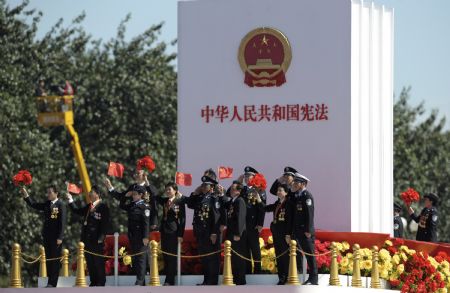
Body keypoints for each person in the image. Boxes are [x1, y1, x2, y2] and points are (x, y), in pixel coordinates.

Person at [21, 185, 67, 288]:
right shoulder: (47, 204)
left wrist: (60, 237)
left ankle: (53, 282)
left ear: (56, 193)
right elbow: (34, 205)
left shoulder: (61, 205)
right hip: (47, 236)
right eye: (48, 192)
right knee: (49, 259)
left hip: (56, 238)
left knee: (55, 260)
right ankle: (49, 282)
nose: (48, 194)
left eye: (50, 192)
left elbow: (62, 222)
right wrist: (26, 195)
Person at [66, 185, 110, 286]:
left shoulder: (103, 207)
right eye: (90, 192)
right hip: (87, 240)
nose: (90, 194)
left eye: (92, 192)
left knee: (98, 261)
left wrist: (101, 238)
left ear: (98, 194)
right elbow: (77, 211)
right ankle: (93, 281)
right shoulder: (89, 206)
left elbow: (105, 224)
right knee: (90, 262)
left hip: (97, 240)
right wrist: (70, 200)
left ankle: (101, 281)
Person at [186, 175, 221, 285]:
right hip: (200, 232)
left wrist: (214, 233)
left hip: (209, 232)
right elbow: (190, 204)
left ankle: (212, 280)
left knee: (211, 257)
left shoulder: (214, 198)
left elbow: (216, 217)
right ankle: (206, 280)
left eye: (206, 185)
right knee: (204, 257)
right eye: (203, 185)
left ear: (211, 187)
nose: (204, 187)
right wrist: (195, 193)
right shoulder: (200, 197)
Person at [288, 173, 318, 285]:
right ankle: (303, 276)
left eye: (297, 183)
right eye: (294, 182)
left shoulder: (307, 196)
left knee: (310, 255)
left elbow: (309, 214)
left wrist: (308, 230)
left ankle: (313, 279)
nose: (294, 184)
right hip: (297, 231)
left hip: (305, 232)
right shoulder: (298, 195)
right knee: (300, 254)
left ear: (303, 184)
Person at [155, 182, 187, 286]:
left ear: (175, 190)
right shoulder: (165, 201)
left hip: (174, 232)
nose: (167, 191)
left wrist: (180, 235)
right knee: (165, 254)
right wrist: (147, 183)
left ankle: (170, 280)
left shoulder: (180, 202)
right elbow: (155, 196)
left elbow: (182, 219)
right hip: (164, 231)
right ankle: (168, 276)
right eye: (166, 189)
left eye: (169, 189)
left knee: (172, 256)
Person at [119, 185, 151, 285]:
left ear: (141, 195)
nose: (133, 196)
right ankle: (141, 280)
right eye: (132, 194)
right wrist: (125, 196)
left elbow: (146, 223)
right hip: (133, 236)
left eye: (135, 194)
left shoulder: (144, 206)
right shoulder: (132, 205)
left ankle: (140, 280)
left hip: (141, 236)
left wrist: (146, 237)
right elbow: (121, 205)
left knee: (141, 258)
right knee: (136, 259)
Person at [262, 183, 291, 285]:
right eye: (278, 190)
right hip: (276, 233)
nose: (278, 192)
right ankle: (281, 277)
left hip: (284, 235)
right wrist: (258, 200)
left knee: (285, 256)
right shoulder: (277, 203)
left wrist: (288, 234)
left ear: (286, 192)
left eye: (280, 190)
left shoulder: (288, 203)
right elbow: (266, 208)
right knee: (278, 255)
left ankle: (286, 276)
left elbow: (289, 221)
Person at [241, 166, 266, 274]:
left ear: (254, 177)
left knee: (255, 248)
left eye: (249, 175)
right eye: (245, 176)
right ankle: (247, 271)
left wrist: (260, 223)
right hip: (243, 225)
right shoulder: (243, 189)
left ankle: (257, 271)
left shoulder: (259, 190)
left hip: (253, 224)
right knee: (245, 248)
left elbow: (262, 208)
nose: (246, 177)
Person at [225, 181, 247, 285]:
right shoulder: (232, 201)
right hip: (231, 233)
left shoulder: (240, 201)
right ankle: (236, 278)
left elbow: (240, 218)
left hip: (237, 234)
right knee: (233, 257)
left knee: (239, 257)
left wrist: (238, 233)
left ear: (238, 191)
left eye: (233, 189)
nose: (231, 190)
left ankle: (240, 280)